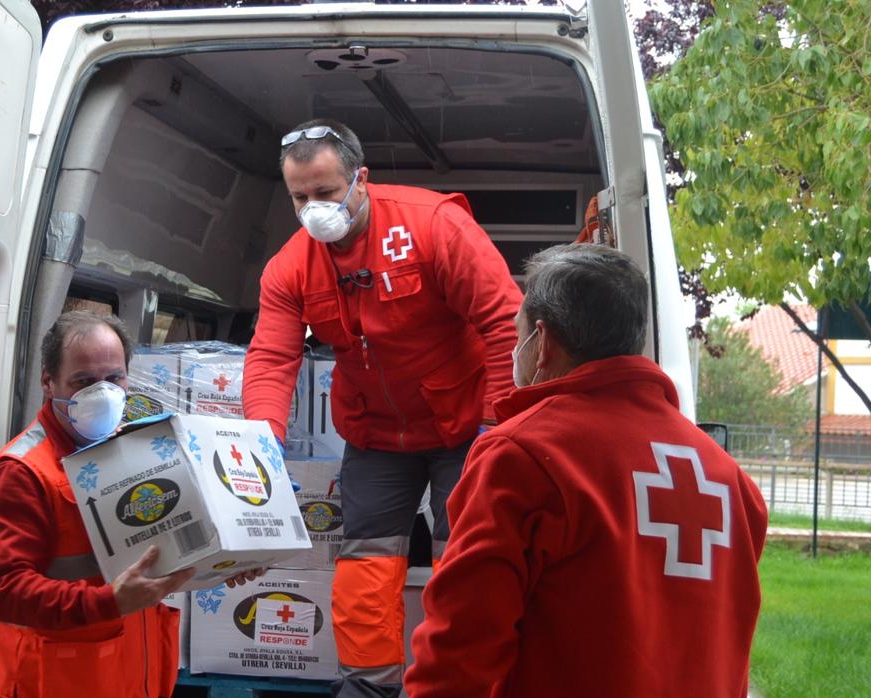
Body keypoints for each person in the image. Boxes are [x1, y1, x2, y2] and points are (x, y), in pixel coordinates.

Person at [404, 244, 769, 698]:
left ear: (543, 341)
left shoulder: (519, 456)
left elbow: (461, 644)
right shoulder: (730, 479)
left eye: (519, 334)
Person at [243, 119, 522, 697]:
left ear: (360, 179)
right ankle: (369, 686)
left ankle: (464, 682)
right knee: (364, 569)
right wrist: (259, 440)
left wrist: (501, 424)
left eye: (325, 192)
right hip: (374, 434)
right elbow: (271, 356)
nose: (313, 208)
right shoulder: (291, 266)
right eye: (299, 198)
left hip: (466, 425)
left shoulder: (434, 226)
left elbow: (504, 324)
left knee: (468, 560)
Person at [0, 311, 258, 698]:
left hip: (132, 677)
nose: (102, 393)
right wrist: (105, 602)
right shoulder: (21, 473)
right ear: (48, 381)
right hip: (61, 682)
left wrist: (227, 561)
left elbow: (162, 553)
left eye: (114, 379)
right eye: (84, 382)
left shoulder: (138, 451)